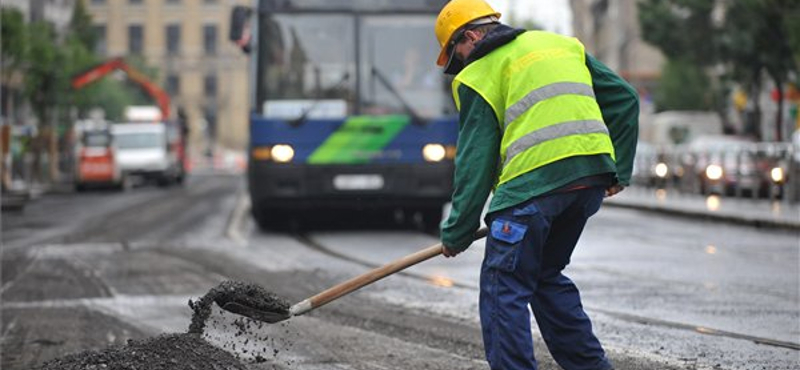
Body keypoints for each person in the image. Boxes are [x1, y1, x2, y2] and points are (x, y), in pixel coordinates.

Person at [433, 1, 639, 369]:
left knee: (503, 287)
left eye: (457, 56)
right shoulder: (562, 45)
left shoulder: (479, 73)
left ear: (472, 36)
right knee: (544, 276)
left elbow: (474, 160)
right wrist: (618, 169)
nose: (459, 67)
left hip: (532, 189)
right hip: (588, 182)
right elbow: (625, 99)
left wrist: (459, 230)